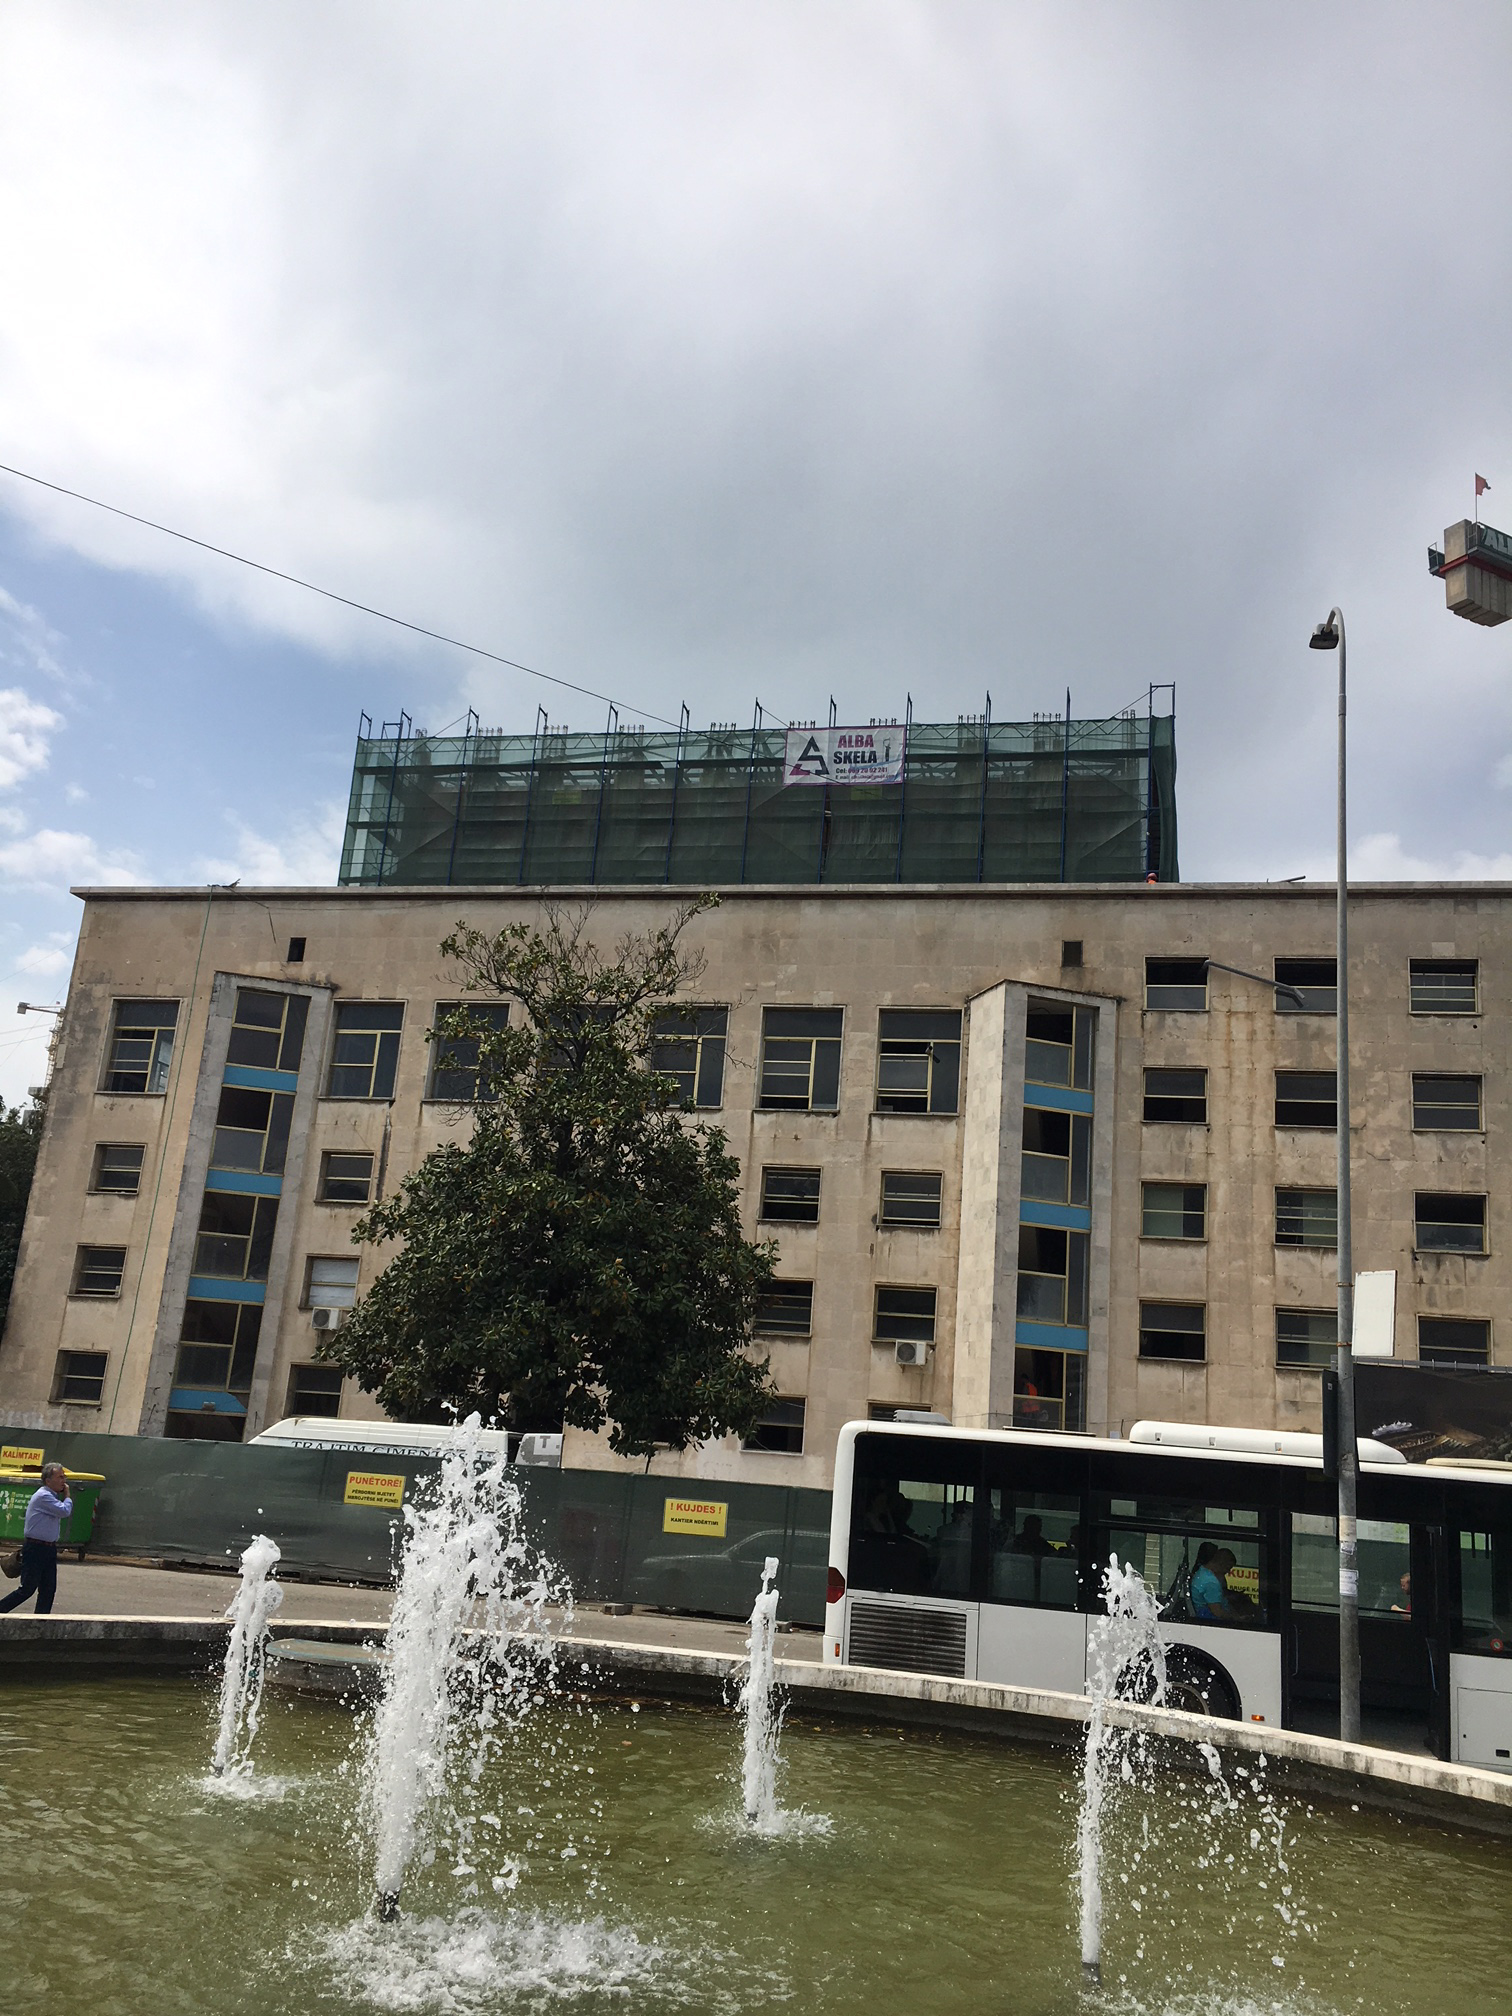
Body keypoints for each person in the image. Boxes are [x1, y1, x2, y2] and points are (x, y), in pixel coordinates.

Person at [0, 1462, 73, 1616]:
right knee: (27, 1588)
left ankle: (41, 1620)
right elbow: (64, 1511)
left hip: (48, 1548)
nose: (63, 1480)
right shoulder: (43, 1496)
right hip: (35, 1548)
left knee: (48, 1588)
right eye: (60, 1477)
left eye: (64, 1476)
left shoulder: (52, 1496)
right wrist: (67, 1496)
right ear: (48, 1481)